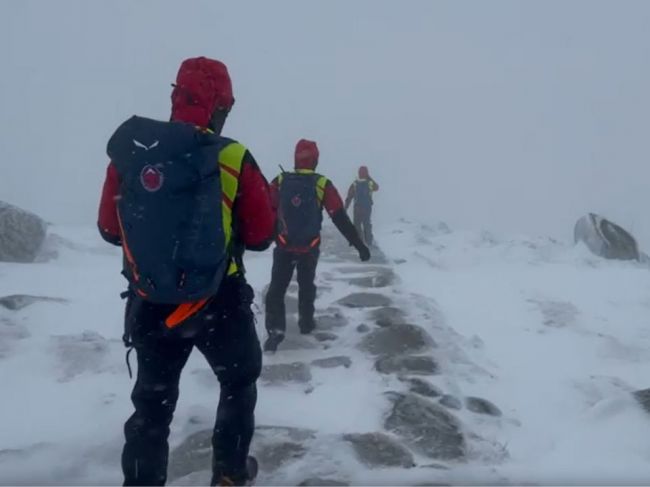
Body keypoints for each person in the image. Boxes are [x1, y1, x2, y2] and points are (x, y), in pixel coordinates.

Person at [97, 57, 275, 486]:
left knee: (151, 408)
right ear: (220, 105)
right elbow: (261, 235)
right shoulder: (232, 155)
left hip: (153, 302)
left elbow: (108, 228)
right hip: (220, 301)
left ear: (176, 96)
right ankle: (229, 475)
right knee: (237, 384)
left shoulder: (133, 154)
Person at [264, 139, 370, 352]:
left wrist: (266, 236)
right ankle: (306, 324)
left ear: (296, 158)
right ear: (316, 160)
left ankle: (275, 333)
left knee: (276, 290)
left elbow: (265, 207)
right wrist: (359, 245)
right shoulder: (322, 184)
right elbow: (339, 217)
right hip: (309, 247)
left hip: (284, 246)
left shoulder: (281, 180)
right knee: (306, 285)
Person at [345, 165, 379, 246]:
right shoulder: (370, 182)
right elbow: (377, 187)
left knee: (357, 225)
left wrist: (345, 207)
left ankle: (358, 242)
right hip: (367, 208)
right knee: (367, 224)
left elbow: (349, 196)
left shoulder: (355, 183)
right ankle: (369, 242)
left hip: (357, 208)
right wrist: (369, 177)